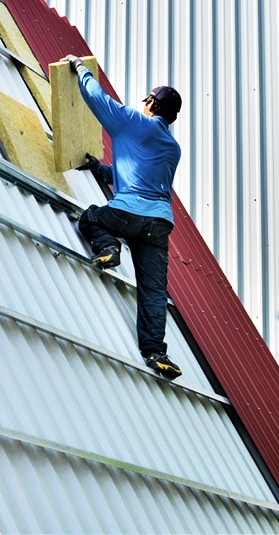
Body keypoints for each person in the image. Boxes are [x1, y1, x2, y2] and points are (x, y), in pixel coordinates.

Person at [62, 54, 184, 381]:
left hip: (127, 214)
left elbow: (96, 98)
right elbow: (140, 176)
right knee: (153, 290)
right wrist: (101, 171)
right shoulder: (172, 147)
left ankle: (109, 248)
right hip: (158, 225)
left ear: (149, 103)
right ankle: (157, 353)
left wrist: (80, 69)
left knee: (91, 219)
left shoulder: (131, 120)